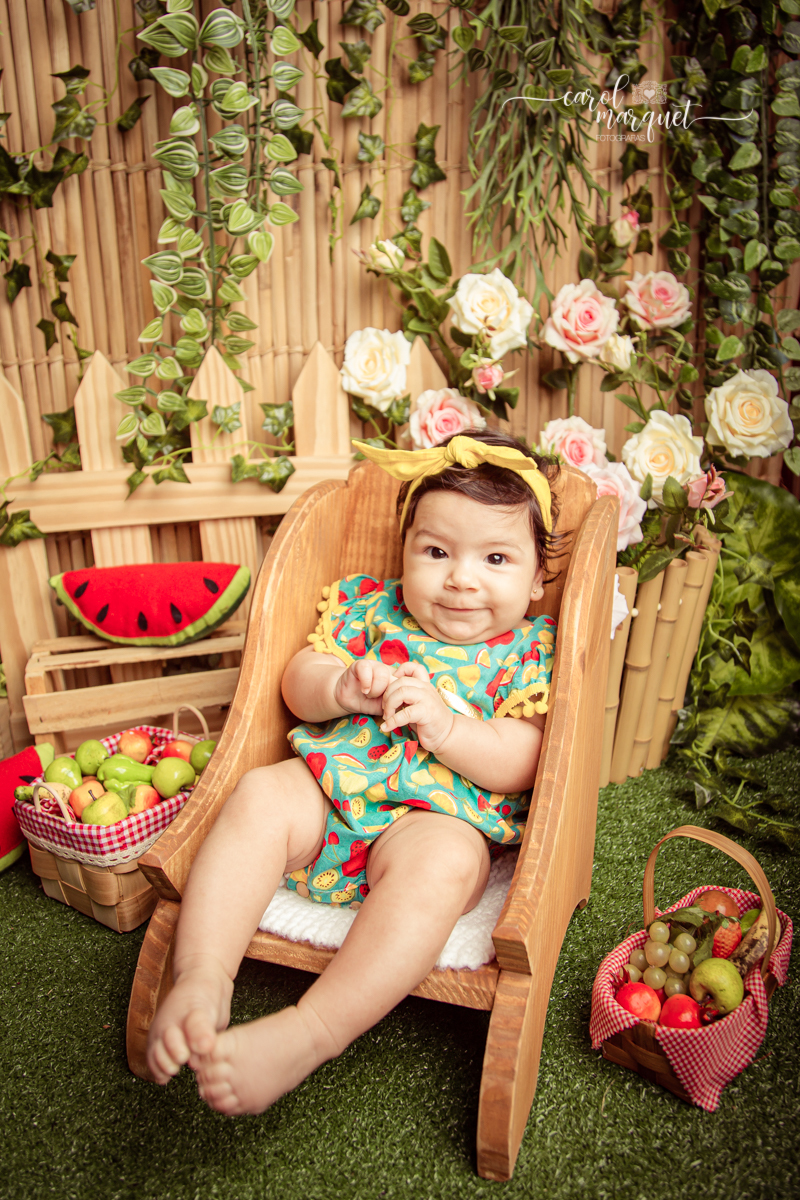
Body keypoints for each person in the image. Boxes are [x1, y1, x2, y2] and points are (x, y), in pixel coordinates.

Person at [147, 429, 561, 1116]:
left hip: (431, 825)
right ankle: (202, 976)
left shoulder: (526, 652)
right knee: (261, 792)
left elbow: (525, 758)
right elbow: (293, 680)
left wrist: (451, 729)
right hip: (327, 796)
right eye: (436, 552)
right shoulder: (369, 609)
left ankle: (310, 1032)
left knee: (448, 864)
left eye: (495, 557)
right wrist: (339, 685)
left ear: (538, 577)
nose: (461, 578)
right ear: (405, 553)